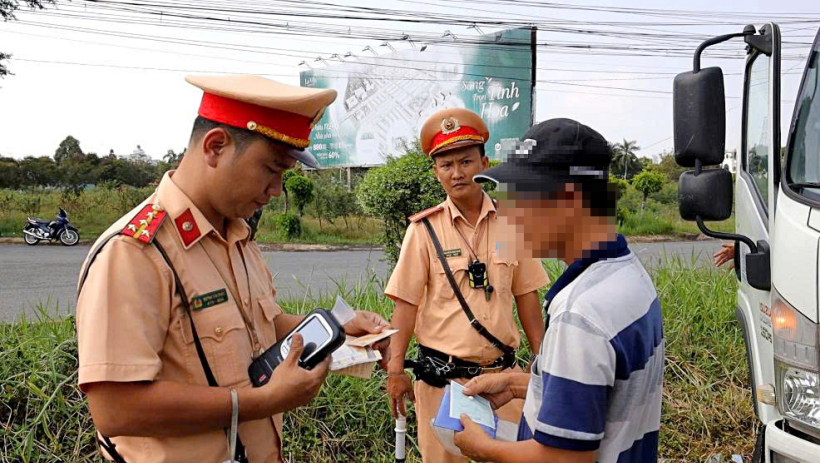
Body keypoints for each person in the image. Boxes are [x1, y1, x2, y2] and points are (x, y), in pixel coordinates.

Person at [75, 74, 390, 463]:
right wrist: (264, 401)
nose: (276, 189)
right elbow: (115, 409)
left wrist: (338, 326)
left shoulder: (238, 235)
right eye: (271, 169)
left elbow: (259, 327)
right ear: (215, 147)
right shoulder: (136, 252)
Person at [453, 118, 664, 463]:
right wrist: (516, 385)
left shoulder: (580, 314)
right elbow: (603, 397)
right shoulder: (628, 275)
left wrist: (484, 449)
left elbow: (565, 459)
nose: (505, 212)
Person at [383, 108, 550, 463]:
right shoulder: (423, 231)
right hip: (442, 387)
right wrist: (395, 371)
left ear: (484, 163)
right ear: (436, 172)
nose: (457, 173)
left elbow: (527, 297)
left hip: (504, 385)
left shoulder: (512, 222)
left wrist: (542, 363)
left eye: (466, 161)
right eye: (446, 165)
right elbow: (405, 306)